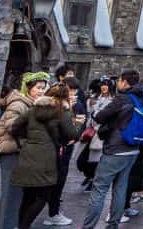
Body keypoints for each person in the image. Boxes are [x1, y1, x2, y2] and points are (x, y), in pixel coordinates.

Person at [81, 69, 143, 229]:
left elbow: (100, 116)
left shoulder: (122, 98)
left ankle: (88, 226)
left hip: (115, 148)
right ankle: (113, 224)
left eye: (119, 80)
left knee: (99, 189)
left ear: (125, 82)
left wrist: (95, 112)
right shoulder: (142, 98)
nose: (117, 83)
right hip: (133, 147)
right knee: (120, 188)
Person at [10, 83, 79, 229]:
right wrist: (77, 124)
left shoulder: (33, 110)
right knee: (44, 195)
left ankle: (20, 225)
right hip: (48, 157)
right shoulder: (63, 112)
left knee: (28, 195)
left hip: (28, 154)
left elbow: (14, 128)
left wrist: (27, 140)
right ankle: (23, 226)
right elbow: (72, 134)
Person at [0, 72, 49, 229]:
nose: (41, 91)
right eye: (38, 88)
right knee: (12, 198)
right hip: (11, 152)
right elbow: (13, 127)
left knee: (9, 198)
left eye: (43, 88)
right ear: (28, 88)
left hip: (19, 153)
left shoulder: (31, 104)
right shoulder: (19, 104)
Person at [47, 77, 85, 226]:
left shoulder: (77, 105)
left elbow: (80, 125)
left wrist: (75, 137)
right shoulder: (57, 104)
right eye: (69, 90)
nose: (72, 93)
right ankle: (52, 212)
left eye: (74, 90)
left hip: (64, 146)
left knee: (60, 177)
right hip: (55, 146)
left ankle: (53, 209)